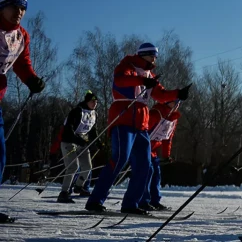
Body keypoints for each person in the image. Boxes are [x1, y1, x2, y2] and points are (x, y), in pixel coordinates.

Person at [85, 43, 190, 215]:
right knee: (120, 159)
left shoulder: (150, 74)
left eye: (155, 56)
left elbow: (161, 95)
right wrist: (142, 81)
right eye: (152, 56)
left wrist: (178, 94)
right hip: (123, 119)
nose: (154, 59)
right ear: (143, 55)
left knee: (145, 165)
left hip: (141, 124)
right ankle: (95, 200)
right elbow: (120, 80)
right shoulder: (127, 66)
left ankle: (131, 203)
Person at [0, 0, 47, 223]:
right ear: (2, 8)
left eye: (23, 8)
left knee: (0, 153)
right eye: (14, 6)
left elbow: (22, 63)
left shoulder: (21, 36)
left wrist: (31, 79)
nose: (19, 12)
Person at [57, 91, 100, 203]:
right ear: (87, 101)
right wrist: (77, 139)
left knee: (87, 166)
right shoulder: (77, 111)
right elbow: (68, 128)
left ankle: (79, 186)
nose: (94, 104)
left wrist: (98, 142)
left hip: (82, 141)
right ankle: (64, 192)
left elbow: (93, 130)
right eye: (92, 101)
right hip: (69, 141)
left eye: (96, 102)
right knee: (73, 166)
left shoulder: (95, 113)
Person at [140, 99, 182, 211]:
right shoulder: (155, 113)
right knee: (148, 172)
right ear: (166, 102)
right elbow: (143, 131)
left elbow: (168, 138)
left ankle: (155, 201)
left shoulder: (172, 118)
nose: (177, 105)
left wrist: (166, 155)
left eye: (179, 103)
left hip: (153, 150)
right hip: (144, 147)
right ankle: (143, 200)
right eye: (175, 102)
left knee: (156, 174)